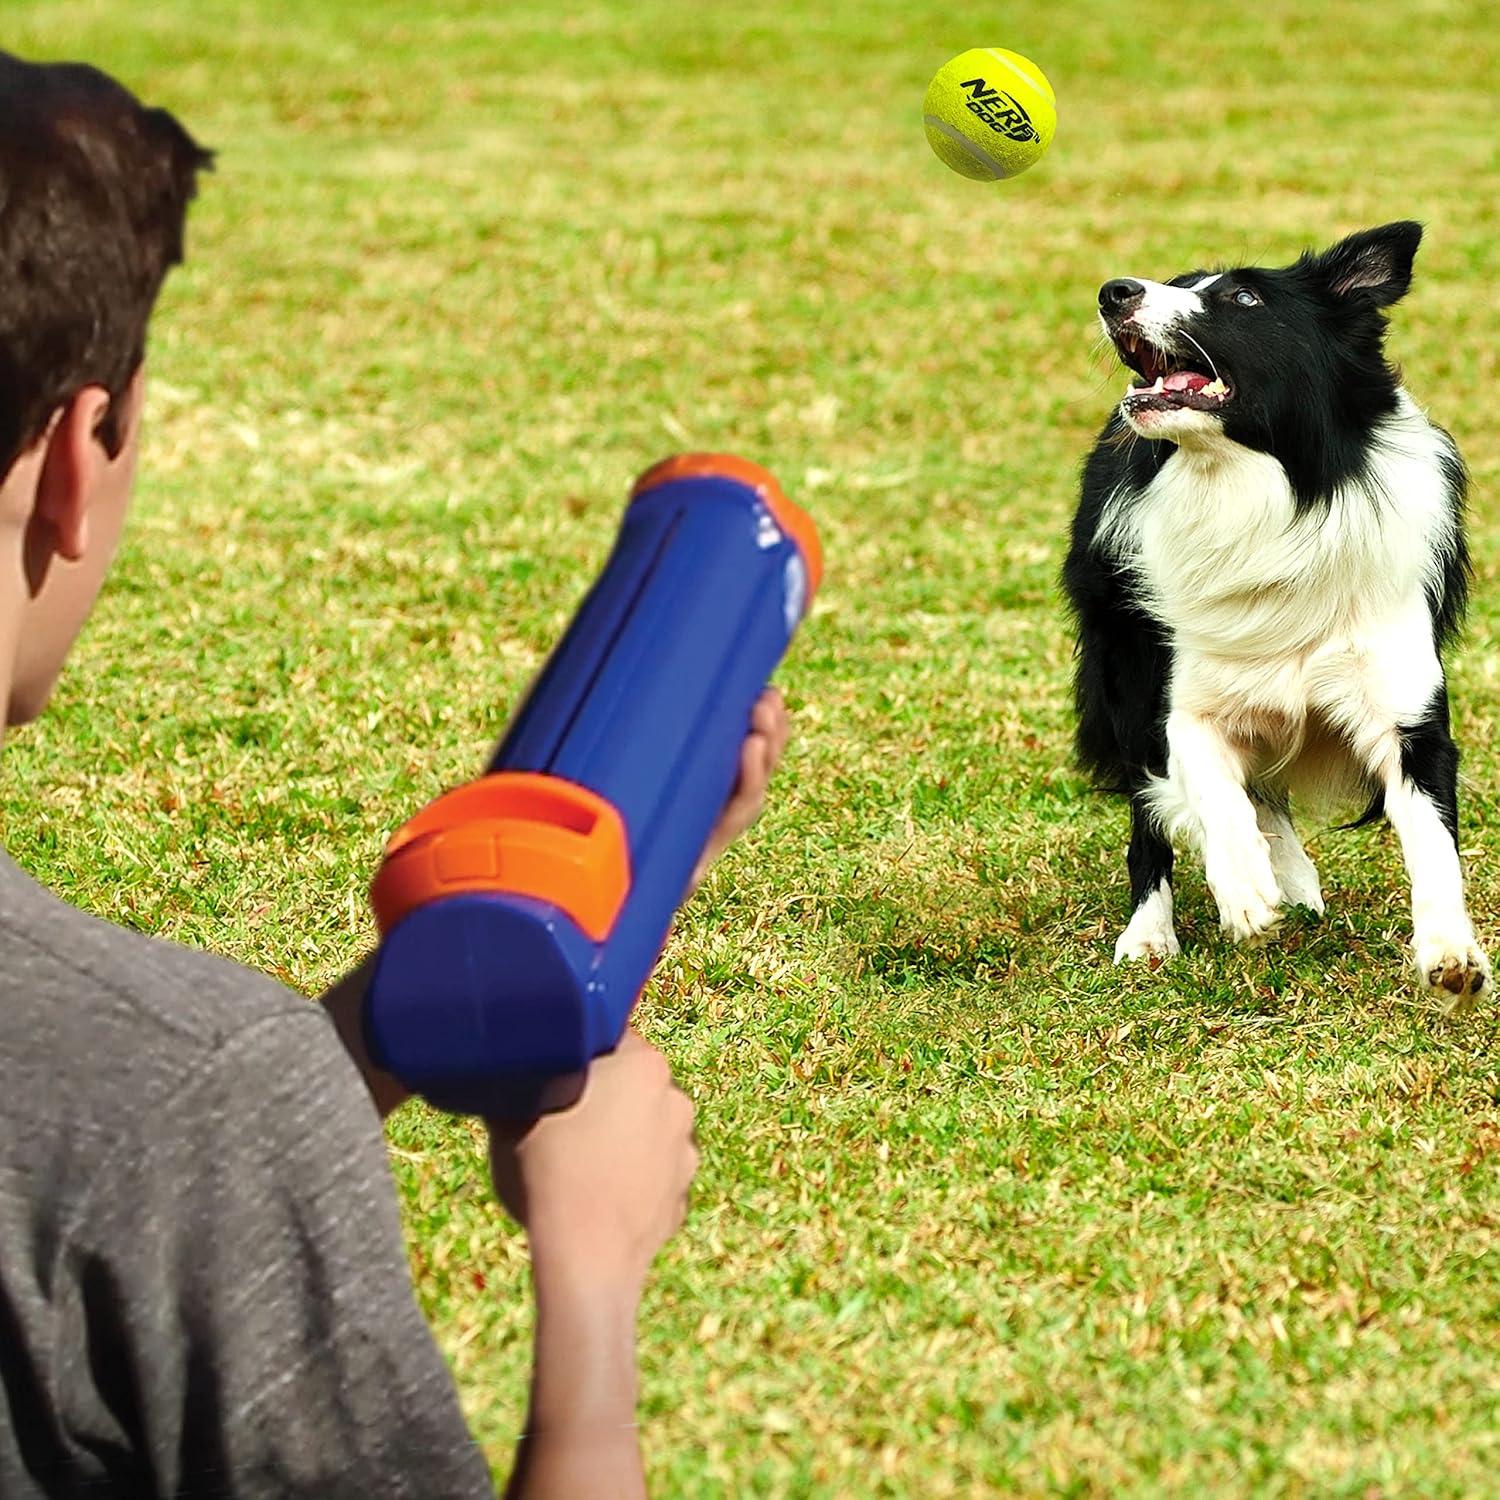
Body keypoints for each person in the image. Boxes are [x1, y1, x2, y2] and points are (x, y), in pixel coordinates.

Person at [0, 52, 790, 1499]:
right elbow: (141, 1138)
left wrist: (366, 1033)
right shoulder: (191, 1106)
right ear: (72, 459)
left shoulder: (169, 1104)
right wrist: (590, 1274)